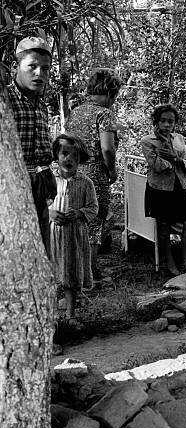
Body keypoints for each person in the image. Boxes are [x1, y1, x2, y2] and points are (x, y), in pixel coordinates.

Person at [65, 69, 121, 278]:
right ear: (110, 92)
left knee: (78, 219)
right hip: (96, 172)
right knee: (95, 220)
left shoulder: (76, 112)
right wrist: (112, 170)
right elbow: (107, 148)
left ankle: (75, 269)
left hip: (73, 171)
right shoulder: (103, 113)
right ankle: (90, 272)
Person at [7, 37, 57, 255]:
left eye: (45, 69)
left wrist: (49, 177)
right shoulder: (6, 99)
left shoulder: (40, 104)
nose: (39, 73)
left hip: (39, 185)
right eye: (32, 66)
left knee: (40, 249)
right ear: (16, 66)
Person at [141, 104, 186, 276]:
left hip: (181, 185)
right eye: (163, 121)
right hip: (160, 188)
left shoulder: (179, 139)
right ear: (156, 122)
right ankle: (170, 263)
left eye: (170, 122)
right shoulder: (147, 141)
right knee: (164, 226)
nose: (167, 125)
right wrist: (170, 158)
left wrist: (173, 157)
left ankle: (185, 261)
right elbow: (157, 166)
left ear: (175, 124)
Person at [49, 134, 98, 320]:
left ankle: (70, 315)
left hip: (75, 236)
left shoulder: (86, 183)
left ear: (80, 159)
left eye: (74, 156)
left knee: (71, 273)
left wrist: (78, 213)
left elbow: (93, 208)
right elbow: (39, 203)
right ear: (56, 155)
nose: (69, 159)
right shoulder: (49, 180)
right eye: (65, 154)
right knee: (52, 274)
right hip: (53, 235)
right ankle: (51, 316)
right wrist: (51, 213)